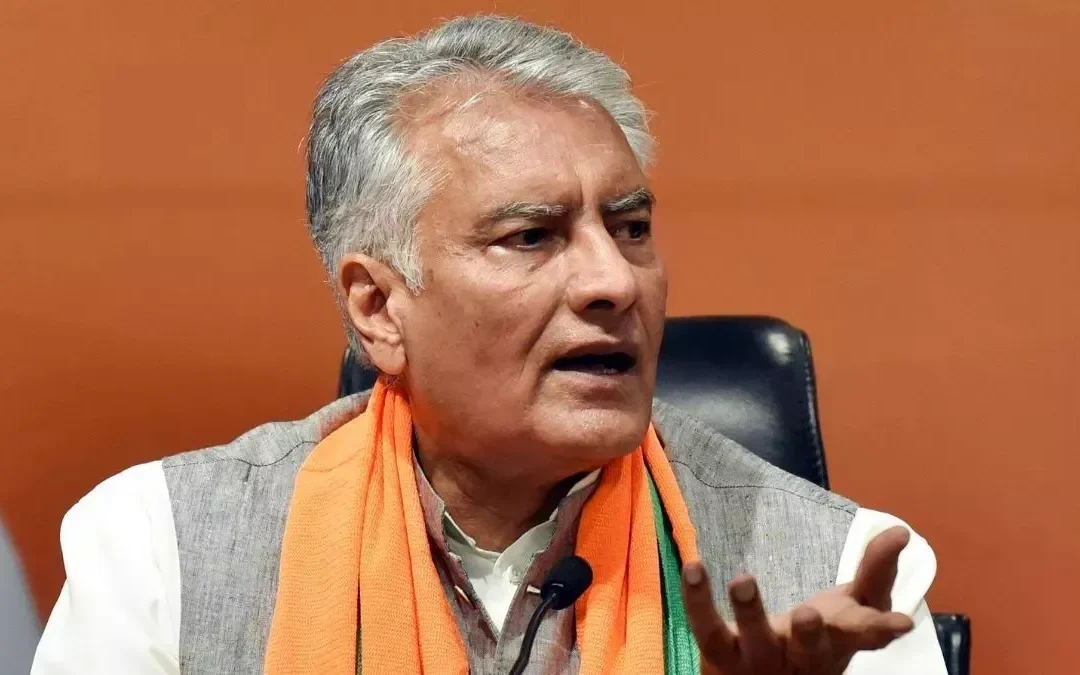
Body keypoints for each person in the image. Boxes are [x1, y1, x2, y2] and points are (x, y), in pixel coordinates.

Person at [32, 15, 946, 675]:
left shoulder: (845, 574)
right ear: (379, 309)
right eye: (531, 236)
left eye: (630, 227)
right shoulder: (159, 548)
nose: (615, 281)